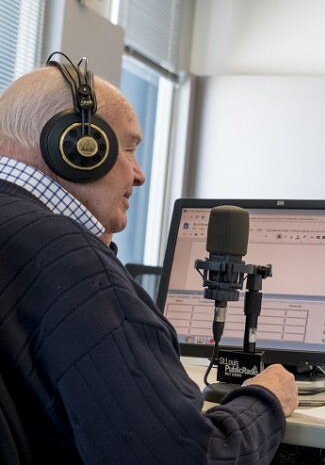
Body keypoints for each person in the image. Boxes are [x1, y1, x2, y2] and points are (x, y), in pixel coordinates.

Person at [0, 57, 299, 463]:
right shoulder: (69, 259)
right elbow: (187, 458)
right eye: (127, 148)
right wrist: (265, 400)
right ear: (77, 147)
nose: (139, 175)